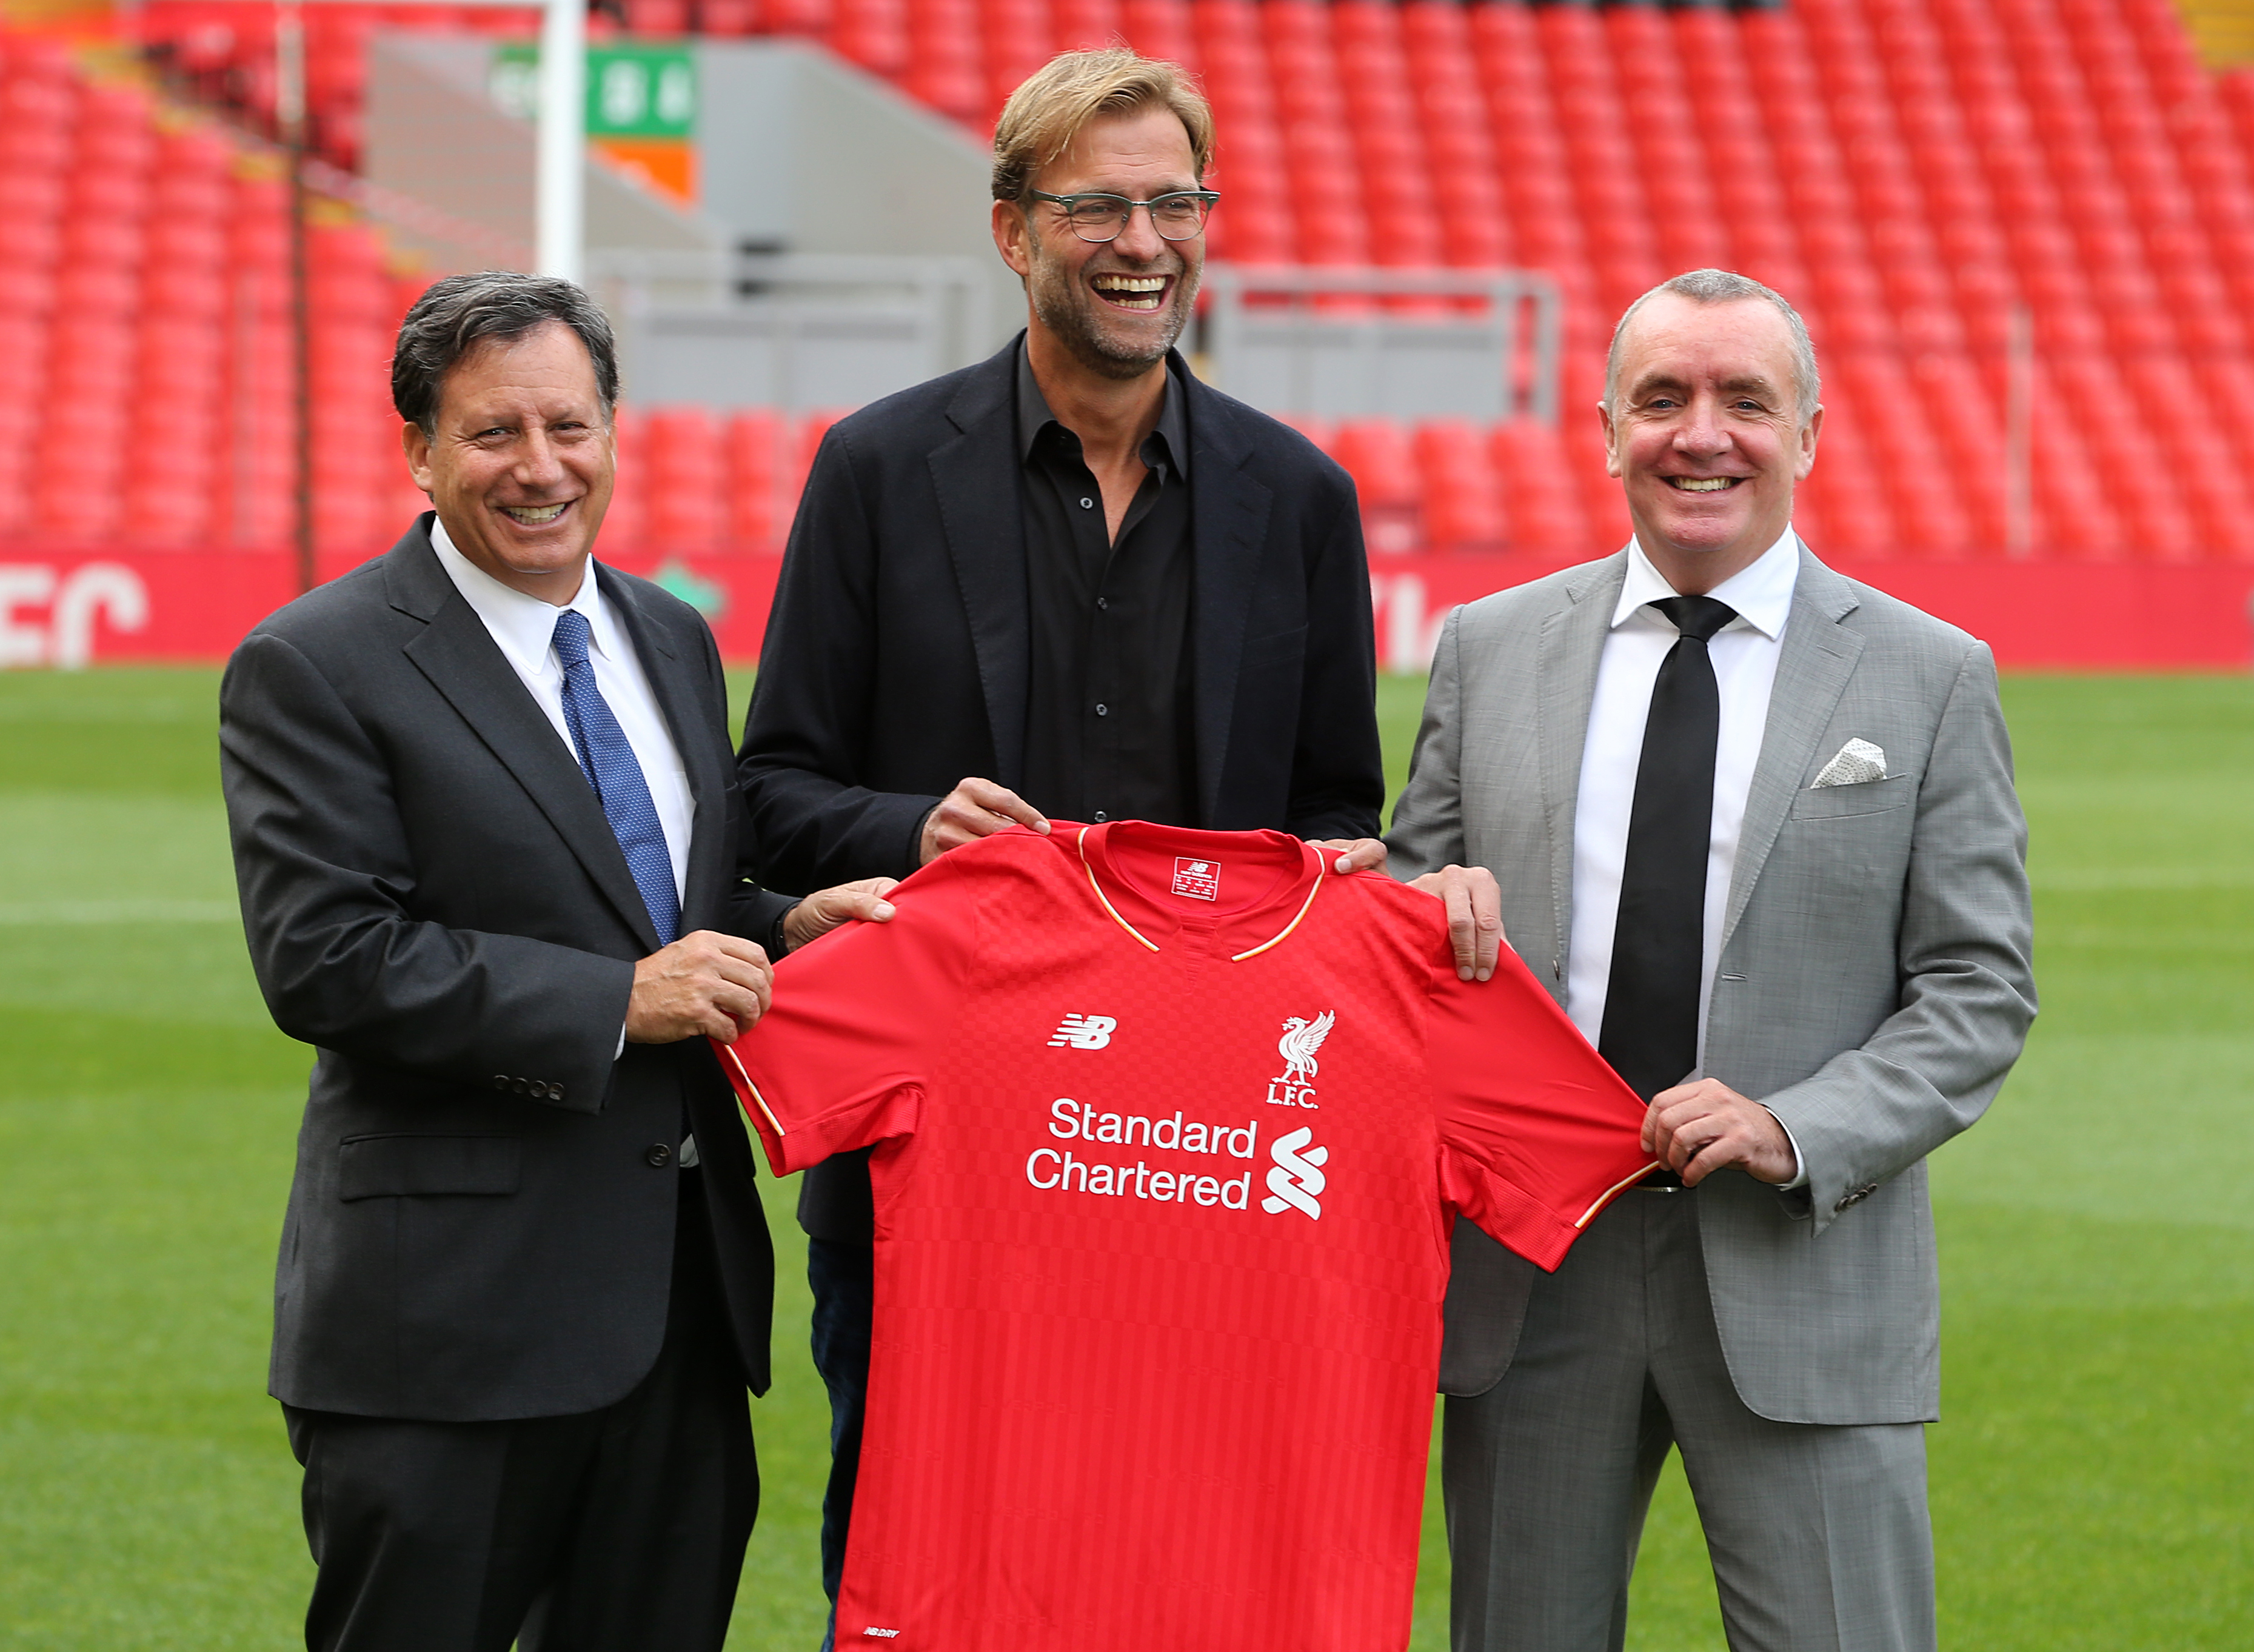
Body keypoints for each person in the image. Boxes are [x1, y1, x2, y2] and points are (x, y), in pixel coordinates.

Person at [736, 47, 1497, 1644]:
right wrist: (906, 825)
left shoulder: (1298, 498)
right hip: (939, 1165)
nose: (1138, 238)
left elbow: (1330, 821)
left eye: (1170, 201)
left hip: (1200, 1175)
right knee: (918, 1558)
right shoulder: (877, 470)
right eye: (1096, 205)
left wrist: (1372, 885)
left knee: (1190, 1556)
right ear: (1012, 230)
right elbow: (769, 791)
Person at [219, 272, 892, 1651]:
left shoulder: (671, 635)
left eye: (570, 426)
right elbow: (326, 958)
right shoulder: (317, 660)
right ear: (417, 448)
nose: (541, 468)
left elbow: (660, 899)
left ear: (613, 428)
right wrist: (614, 1005)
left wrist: (782, 926)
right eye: (493, 433)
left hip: (679, 1316)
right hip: (446, 1333)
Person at [1388, 269, 2036, 1651]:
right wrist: (1418, 909)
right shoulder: (1489, 650)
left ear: (1805, 432)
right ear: (1605, 426)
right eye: (1662, 398)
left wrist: (1791, 1124)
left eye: (1745, 399)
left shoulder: (1927, 675)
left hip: (1801, 1273)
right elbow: (1405, 909)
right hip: (1531, 1269)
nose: (1701, 434)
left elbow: (1977, 989)